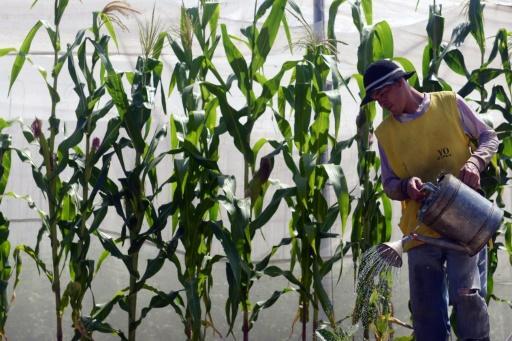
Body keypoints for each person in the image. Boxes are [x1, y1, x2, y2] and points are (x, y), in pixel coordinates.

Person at [361, 59, 499, 341]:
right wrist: (404, 186)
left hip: (466, 222)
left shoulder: (449, 103)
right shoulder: (385, 133)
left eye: (383, 93)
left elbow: (489, 136)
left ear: (401, 82)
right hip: (421, 232)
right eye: (376, 98)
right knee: (426, 315)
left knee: (469, 301)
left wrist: (474, 163)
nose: (381, 102)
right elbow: (389, 184)